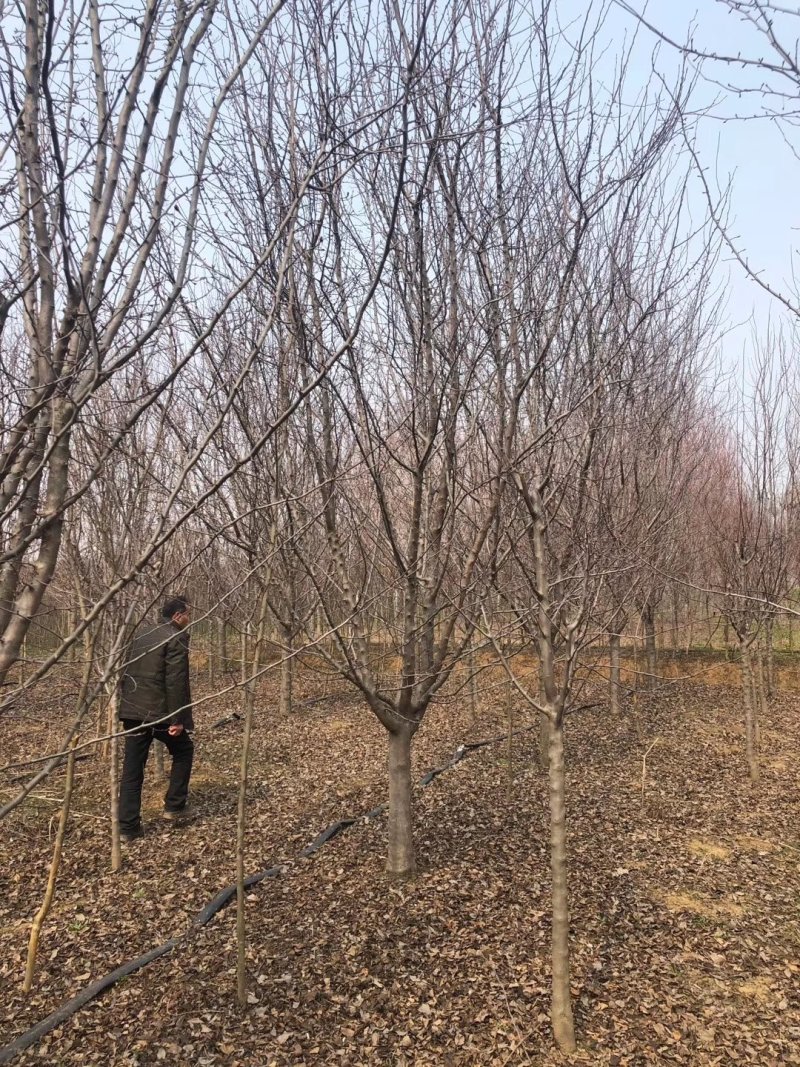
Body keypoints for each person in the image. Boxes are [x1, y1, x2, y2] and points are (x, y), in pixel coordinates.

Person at [117, 596, 195, 841]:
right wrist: (177, 719)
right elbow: (175, 682)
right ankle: (174, 806)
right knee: (184, 750)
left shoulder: (141, 634)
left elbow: (125, 672)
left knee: (132, 768)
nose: (189, 619)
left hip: (132, 711)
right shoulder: (176, 637)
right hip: (159, 713)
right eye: (188, 614)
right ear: (177, 616)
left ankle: (128, 828)